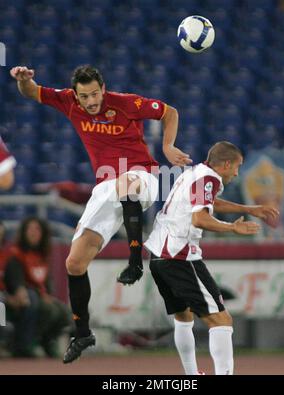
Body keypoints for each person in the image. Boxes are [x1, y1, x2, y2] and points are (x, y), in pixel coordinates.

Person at [10, 65, 192, 363]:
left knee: (125, 182)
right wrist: (24, 81)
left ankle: (135, 261)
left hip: (142, 176)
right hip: (106, 187)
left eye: (95, 93)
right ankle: (82, 332)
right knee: (74, 262)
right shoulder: (68, 101)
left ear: (103, 88)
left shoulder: (125, 102)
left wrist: (168, 146)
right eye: (85, 96)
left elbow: (169, 112)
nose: (92, 101)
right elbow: (33, 92)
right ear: (77, 96)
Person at [144, 141, 280, 375]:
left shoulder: (195, 173)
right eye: (237, 167)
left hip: (158, 254)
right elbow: (200, 219)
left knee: (183, 316)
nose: (237, 173)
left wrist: (248, 209)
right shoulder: (209, 179)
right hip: (180, 255)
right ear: (226, 164)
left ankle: (191, 376)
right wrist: (232, 228)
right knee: (221, 320)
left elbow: (208, 202)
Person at [4, 217, 72, 357]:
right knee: (38, 303)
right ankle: (23, 344)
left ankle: (47, 341)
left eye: (37, 229)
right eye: (30, 229)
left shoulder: (42, 255)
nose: (33, 232)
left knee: (65, 313)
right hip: (19, 297)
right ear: (23, 232)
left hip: (39, 295)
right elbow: (15, 281)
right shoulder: (16, 254)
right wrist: (20, 291)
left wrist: (47, 295)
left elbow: (46, 283)